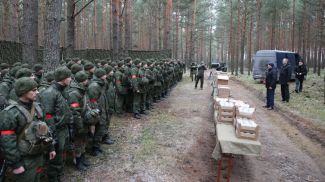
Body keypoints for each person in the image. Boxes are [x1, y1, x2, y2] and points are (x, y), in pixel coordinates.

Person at [0, 77, 56, 182]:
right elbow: (7, 142)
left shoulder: (38, 107)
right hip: (24, 159)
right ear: (24, 91)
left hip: (38, 155)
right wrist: (16, 164)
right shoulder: (10, 113)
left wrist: (51, 147)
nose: (37, 92)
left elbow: (45, 130)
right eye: (34, 90)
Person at [39, 67, 72, 182]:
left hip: (64, 128)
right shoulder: (50, 93)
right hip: (56, 129)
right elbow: (48, 116)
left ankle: (59, 174)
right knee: (55, 156)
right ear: (62, 78)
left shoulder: (63, 90)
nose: (71, 79)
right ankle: (53, 178)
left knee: (62, 153)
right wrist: (53, 135)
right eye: (69, 77)